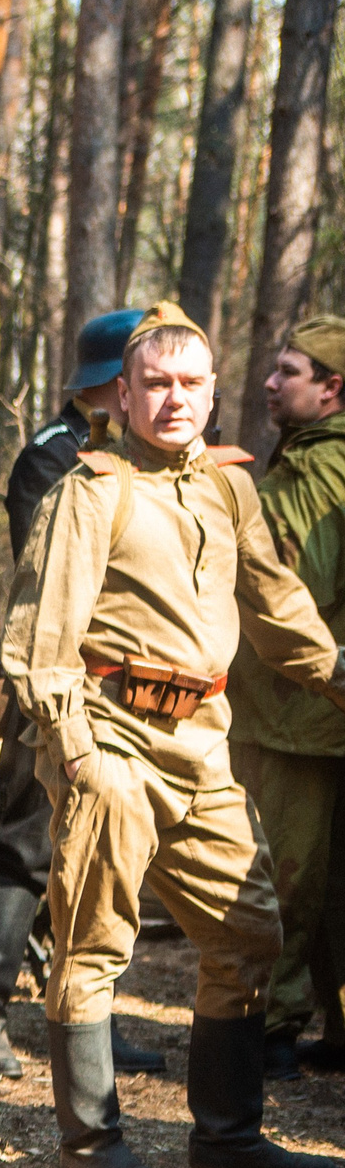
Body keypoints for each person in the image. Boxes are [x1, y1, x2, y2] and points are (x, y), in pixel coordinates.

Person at [4, 301, 345, 1168]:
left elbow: (278, 606)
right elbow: (38, 644)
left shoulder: (230, 487)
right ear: (122, 392)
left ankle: (226, 1138)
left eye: (191, 383)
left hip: (203, 742)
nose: (174, 399)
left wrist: (340, 675)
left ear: (214, 391)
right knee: (93, 941)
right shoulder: (93, 488)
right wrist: (81, 758)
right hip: (112, 737)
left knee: (250, 933)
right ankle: (91, 1143)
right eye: (155, 383)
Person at [0, 310, 166, 1078]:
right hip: (52, 681)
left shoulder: (144, 463)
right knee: (23, 847)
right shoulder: (56, 459)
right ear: (113, 384)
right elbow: (55, 581)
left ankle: (92, 1021)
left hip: (126, 697)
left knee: (104, 857)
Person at [228, 316, 345, 1079]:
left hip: (302, 716)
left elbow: (301, 581)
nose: (271, 382)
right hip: (291, 710)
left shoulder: (321, 472)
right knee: (316, 879)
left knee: (282, 875)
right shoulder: (301, 461)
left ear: (334, 389)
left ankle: (267, 1026)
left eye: (290, 372)